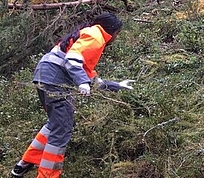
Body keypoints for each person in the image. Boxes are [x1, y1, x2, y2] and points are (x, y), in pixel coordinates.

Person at [11, 12, 135, 178]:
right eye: (117, 33)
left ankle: (25, 163)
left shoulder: (89, 33)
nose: (116, 37)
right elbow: (73, 60)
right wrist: (82, 83)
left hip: (46, 75)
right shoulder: (97, 37)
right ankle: (47, 175)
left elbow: (87, 74)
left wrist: (116, 86)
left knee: (55, 123)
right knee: (61, 129)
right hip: (54, 79)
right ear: (111, 30)